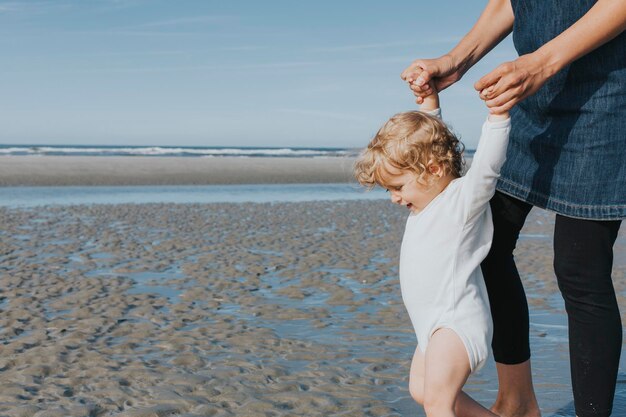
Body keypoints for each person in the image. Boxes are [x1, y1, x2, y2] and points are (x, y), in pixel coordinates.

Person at [401, 1, 626, 416]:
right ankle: (518, 401)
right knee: (485, 246)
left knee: (580, 271)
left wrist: (542, 62)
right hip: (533, 95)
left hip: (608, 94)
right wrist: (456, 61)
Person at [354, 83, 509, 416]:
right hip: (430, 327)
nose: (395, 197)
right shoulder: (425, 200)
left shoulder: (460, 202)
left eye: (397, 187)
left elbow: (487, 169)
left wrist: (498, 117)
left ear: (434, 171)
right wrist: (430, 104)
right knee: (422, 391)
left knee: (439, 402)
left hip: (456, 323)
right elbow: (427, 144)